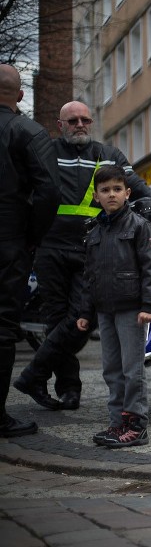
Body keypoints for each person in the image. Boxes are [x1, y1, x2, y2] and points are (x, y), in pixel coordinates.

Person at [14, 101, 151, 412]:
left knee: (80, 320)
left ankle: (33, 373)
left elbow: (138, 187)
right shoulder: (46, 149)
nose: (80, 124)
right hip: (49, 247)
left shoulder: (108, 155)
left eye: (85, 119)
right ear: (60, 124)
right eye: (73, 120)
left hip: (88, 247)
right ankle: (69, 389)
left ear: (92, 122)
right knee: (55, 319)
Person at [75, 165, 151, 447]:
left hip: (132, 310)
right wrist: (86, 312)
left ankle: (136, 425)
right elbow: (90, 275)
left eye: (117, 189)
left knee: (132, 369)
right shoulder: (95, 231)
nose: (111, 194)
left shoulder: (139, 225)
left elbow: (150, 268)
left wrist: (148, 305)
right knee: (111, 368)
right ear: (96, 196)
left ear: (127, 193)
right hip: (104, 310)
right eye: (105, 190)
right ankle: (116, 424)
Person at [0, 64, 60, 438]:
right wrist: (31, 236)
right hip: (9, 242)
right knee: (3, 328)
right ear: (20, 95)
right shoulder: (27, 131)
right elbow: (49, 192)